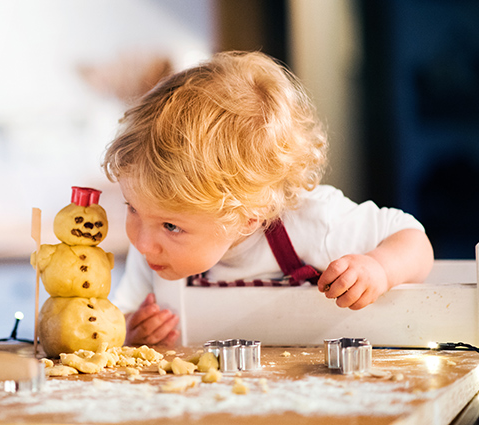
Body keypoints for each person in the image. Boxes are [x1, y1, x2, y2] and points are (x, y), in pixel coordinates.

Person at [100, 51, 434, 347]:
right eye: (133, 208)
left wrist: (378, 267)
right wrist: (131, 329)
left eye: (172, 226)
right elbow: (121, 317)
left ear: (249, 216)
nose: (142, 242)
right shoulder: (154, 251)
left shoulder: (316, 222)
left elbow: (413, 240)